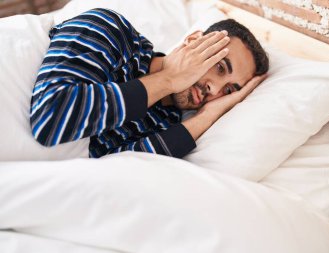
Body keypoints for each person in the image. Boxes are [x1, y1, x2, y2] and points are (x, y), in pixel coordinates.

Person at [30, 8, 269, 159]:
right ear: (193, 41)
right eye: (219, 67)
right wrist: (168, 79)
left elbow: (111, 173)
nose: (215, 90)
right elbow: (50, 120)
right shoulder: (112, 32)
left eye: (228, 90)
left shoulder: (166, 125)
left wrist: (207, 116)